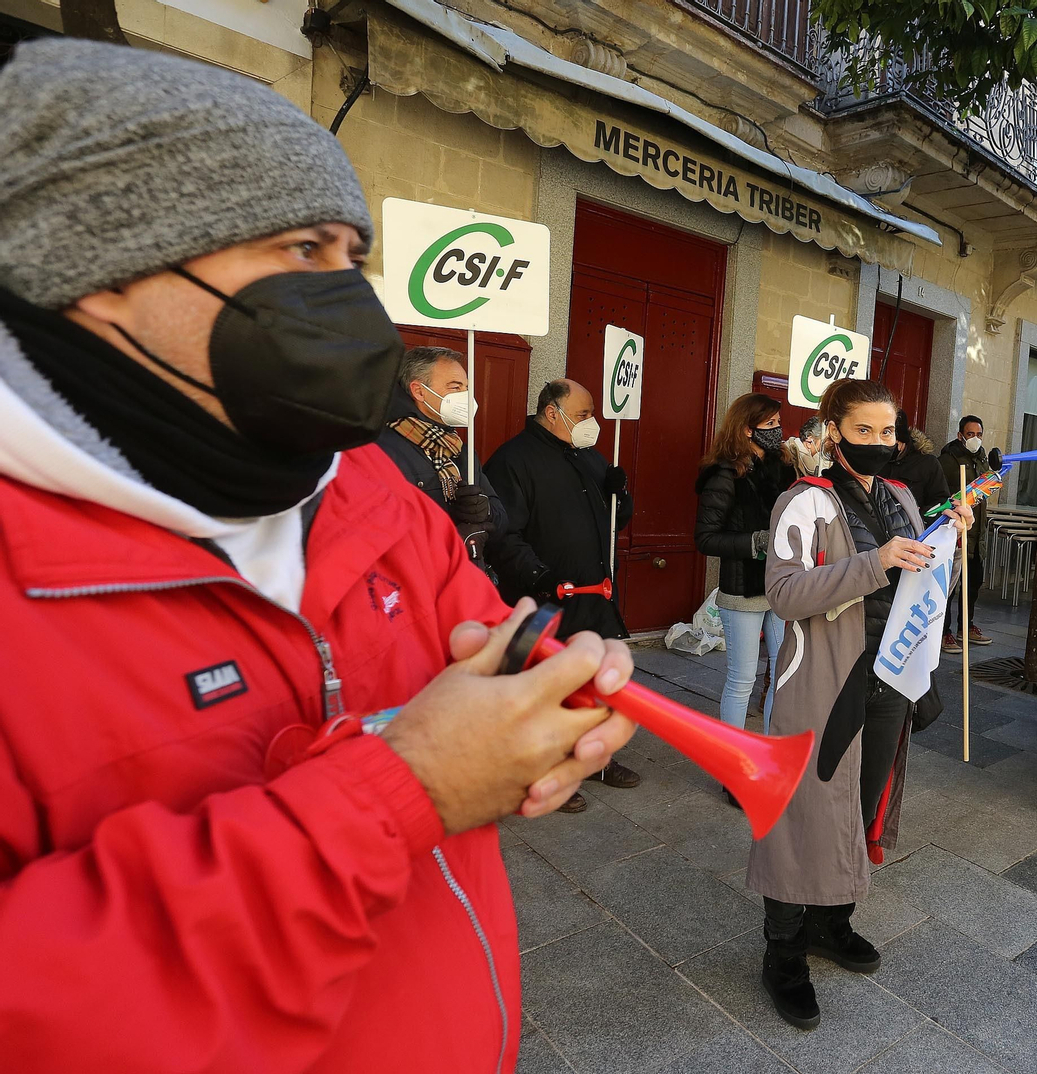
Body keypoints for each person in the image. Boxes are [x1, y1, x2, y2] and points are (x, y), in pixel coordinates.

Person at [0, 38, 638, 1072]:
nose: (351, 301)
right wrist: (400, 797)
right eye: (304, 251)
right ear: (102, 267)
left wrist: (545, 692)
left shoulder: (360, 483)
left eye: (353, 258)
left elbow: (475, 632)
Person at [748, 378, 969, 1030]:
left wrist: (949, 536)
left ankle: (831, 921)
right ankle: (782, 953)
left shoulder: (901, 494)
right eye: (863, 430)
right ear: (834, 429)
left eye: (887, 431)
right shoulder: (803, 501)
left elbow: (921, 569)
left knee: (861, 807)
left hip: (889, 678)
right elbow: (786, 592)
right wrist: (877, 563)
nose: (878, 443)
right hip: (822, 683)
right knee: (804, 817)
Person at [486, 378, 641, 808]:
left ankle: (596, 758)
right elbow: (503, 534)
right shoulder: (512, 460)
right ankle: (545, 768)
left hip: (595, 594)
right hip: (546, 598)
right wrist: (539, 575)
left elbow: (616, 522)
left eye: (593, 413)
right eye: (583, 414)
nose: (592, 423)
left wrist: (619, 493)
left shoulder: (590, 457)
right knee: (547, 687)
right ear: (552, 413)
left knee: (597, 682)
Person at [694, 393, 791, 742]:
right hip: (743, 590)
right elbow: (705, 538)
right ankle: (733, 765)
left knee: (783, 675)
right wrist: (757, 541)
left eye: (779, 423)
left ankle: (771, 752)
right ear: (747, 430)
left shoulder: (782, 467)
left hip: (780, 586)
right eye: (770, 425)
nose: (778, 431)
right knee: (742, 679)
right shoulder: (724, 474)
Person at [378, 345, 508, 578]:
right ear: (419, 391)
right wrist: (452, 538)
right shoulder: (382, 449)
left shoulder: (460, 450)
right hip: (415, 585)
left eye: (466, 389)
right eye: (455, 387)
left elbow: (501, 520)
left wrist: (484, 510)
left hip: (465, 583)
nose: (466, 398)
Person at [939, 414, 1003, 652]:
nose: (975, 439)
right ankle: (944, 632)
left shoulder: (983, 459)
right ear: (960, 435)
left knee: (972, 584)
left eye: (978, 434)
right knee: (949, 587)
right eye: (970, 434)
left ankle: (966, 626)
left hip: (977, 536)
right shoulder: (948, 460)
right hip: (956, 534)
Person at [879, 408, 949, 515]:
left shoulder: (927, 463)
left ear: (901, 440)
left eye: (890, 441)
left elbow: (940, 503)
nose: (884, 447)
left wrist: (918, 516)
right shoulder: (875, 459)